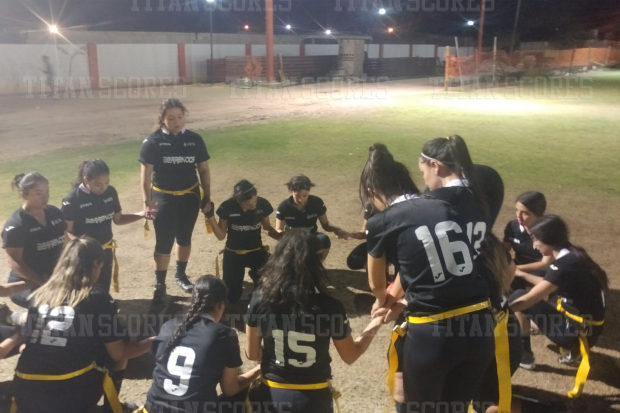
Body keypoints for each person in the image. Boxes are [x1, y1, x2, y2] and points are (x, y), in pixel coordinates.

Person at [362, 143, 494, 413]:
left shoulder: (382, 222)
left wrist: (383, 300)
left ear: (373, 191)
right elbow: (428, 263)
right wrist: (398, 299)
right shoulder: (441, 204)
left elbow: (376, 284)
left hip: (433, 335)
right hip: (480, 325)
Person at [245, 229, 383, 413]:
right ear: (316, 261)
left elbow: (252, 353)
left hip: (272, 395)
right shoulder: (330, 306)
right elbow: (350, 355)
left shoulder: (259, 300)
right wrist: (376, 322)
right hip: (313, 398)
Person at [12, 237, 154, 413]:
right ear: (96, 264)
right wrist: (157, 340)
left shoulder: (41, 295)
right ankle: (111, 407)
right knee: (117, 340)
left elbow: (26, 346)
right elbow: (119, 353)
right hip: (70, 394)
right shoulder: (96, 296)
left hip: (24, 391)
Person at [145, 275, 261, 413]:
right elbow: (230, 389)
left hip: (152, 408)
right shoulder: (224, 334)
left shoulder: (169, 326)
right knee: (238, 397)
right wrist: (258, 370)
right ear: (220, 305)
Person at [140, 98, 213, 309]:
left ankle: (181, 275)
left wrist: (207, 196)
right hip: (163, 198)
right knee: (163, 242)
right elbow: (145, 177)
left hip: (190, 197)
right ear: (162, 120)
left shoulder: (194, 140)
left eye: (180, 117)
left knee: (184, 237)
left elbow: (204, 170)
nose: (176, 122)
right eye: (170, 118)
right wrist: (147, 202)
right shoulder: (152, 142)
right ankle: (160, 283)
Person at [509, 214, 607, 371]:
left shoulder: (564, 265)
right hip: (590, 327)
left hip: (579, 333)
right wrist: (522, 274)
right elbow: (550, 284)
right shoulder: (574, 254)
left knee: (517, 297)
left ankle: (524, 354)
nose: (534, 246)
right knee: (538, 305)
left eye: (535, 239)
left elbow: (528, 299)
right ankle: (573, 349)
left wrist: (500, 312)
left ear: (549, 239)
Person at [62, 159, 144, 294]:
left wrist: (142, 214)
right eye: (98, 184)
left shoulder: (110, 192)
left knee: (103, 287)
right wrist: (83, 248)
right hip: (84, 254)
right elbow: (66, 231)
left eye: (107, 183)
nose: (103, 187)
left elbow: (118, 219)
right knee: (83, 291)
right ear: (86, 180)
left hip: (106, 249)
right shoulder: (72, 199)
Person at [207, 179, 281, 304]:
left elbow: (267, 228)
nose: (254, 206)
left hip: (256, 252)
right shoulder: (227, 207)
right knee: (232, 297)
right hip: (234, 254)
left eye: (255, 201)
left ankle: (257, 286)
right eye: (249, 204)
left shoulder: (262, 204)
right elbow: (221, 235)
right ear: (238, 200)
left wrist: (285, 237)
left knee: (269, 290)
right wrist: (210, 216)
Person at [417, 135, 489, 258]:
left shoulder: (436, 202)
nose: (424, 179)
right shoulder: (477, 194)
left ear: (435, 166)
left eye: (423, 172)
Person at [2, 172, 66, 308]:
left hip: (53, 276)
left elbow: (65, 238)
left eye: (47, 191)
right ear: (23, 195)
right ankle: (16, 319)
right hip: (26, 282)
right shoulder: (16, 225)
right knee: (47, 307)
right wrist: (40, 281)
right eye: (39, 193)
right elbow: (14, 261)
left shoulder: (55, 213)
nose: (45, 197)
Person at [275, 174, 353, 259]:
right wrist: (286, 239)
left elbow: (326, 225)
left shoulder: (317, 203)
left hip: (311, 235)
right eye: (297, 196)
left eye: (305, 196)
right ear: (292, 191)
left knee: (324, 240)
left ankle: (317, 266)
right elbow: (279, 229)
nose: (301, 199)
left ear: (309, 192)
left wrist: (337, 230)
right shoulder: (284, 206)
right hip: (292, 238)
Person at [503, 191, 553, 291]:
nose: (519, 216)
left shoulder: (548, 231)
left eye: (525, 213)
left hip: (540, 272)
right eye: (517, 210)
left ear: (538, 214)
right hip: (517, 266)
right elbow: (503, 251)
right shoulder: (512, 226)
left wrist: (516, 269)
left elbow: (545, 263)